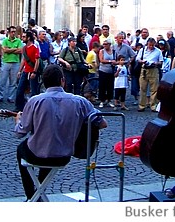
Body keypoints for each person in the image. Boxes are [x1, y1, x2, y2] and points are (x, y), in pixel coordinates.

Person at [13, 64, 108, 201]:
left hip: (37, 154)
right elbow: (102, 123)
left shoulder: (35, 101)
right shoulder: (80, 101)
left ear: (44, 83)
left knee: (22, 148)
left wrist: (18, 120)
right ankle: (37, 194)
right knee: (50, 145)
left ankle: (31, 195)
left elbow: (19, 133)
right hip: (64, 154)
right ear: (62, 80)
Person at [15, 30, 41, 112]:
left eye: (23, 37)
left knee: (34, 91)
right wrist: (20, 71)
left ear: (28, 38)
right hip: (25, 71)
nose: (22, 38)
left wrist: (34, 72)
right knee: (19, 90)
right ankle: (19, 107)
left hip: (32, 72)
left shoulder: (34, 47)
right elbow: (24, 60)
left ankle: (35, 108)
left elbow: (37, 61)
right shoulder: (24, 48)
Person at [0, 26, 23, 103]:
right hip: (6, 62)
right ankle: (0, 96)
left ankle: (11, 97)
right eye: (12, 32)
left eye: (15, 32)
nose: (13, 33)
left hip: (15, 62)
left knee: (13, 82)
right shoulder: (5, 40)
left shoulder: (18, 41)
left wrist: (9, 49)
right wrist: (15, 49)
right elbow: (4, 50)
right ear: (9, 32)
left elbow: (20, 51)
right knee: (2, 80)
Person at [136, 37, 163, 112]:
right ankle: (142, 105)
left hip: (153, 70)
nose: (151, 47)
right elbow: (138, 59)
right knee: (142, 88)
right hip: (144, 69)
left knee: (154, 89)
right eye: (149, 45)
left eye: (152, 45)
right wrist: (142, 61)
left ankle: (153, 105)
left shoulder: (158, 51)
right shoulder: (142, 50)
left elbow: (161, 61)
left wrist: (156, 63)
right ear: (147, 44)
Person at [97, 39, 117, 107]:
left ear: (109, 44)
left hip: (111, 71)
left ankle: (109, 99)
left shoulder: (114, 52)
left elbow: (115, 60)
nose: (104, 45)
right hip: (103, 70)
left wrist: (114, 63)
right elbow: (101, 60)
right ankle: (102, 100)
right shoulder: (101, 51)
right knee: (102, 86)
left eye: (106, 44)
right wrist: (110, 61)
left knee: (110, 86)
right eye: (104, 44)